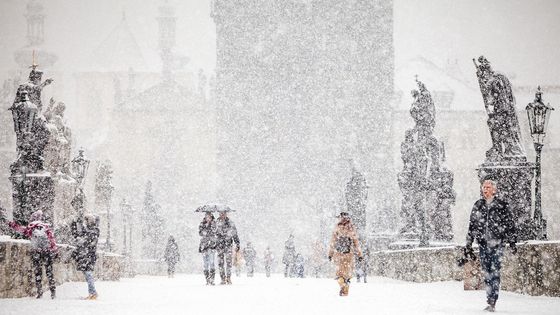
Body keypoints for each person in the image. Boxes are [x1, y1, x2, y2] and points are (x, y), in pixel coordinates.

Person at [465, 178, 517, 312]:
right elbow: (472, 226)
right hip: (483, 245)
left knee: (495, 272)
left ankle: (493, 300)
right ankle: (490, 299)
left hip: (498, 245)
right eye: (484, 187)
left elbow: (510, 225)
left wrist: (512, 242)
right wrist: (469, 244)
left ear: (494, 190)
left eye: (488, 187)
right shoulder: (478, 205)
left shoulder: (501, 205)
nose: (485, 189)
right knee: (487, 273)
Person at [9, 210, 58, 299]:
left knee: (38, 272)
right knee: (49, 273)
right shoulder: (46, 227)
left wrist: (12, 224)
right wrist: (54, 250)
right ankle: (53, 292)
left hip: (36, 252)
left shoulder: (31, 227)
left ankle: (39, 292)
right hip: (47, 252)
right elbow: (52, 239)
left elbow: (21, 230)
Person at [328, 211, 363, 296]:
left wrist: (330, 254)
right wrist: (359, 254)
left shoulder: (337, 228)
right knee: (347, 274)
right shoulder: (351, 228)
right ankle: (345, 289)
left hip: (339, 254)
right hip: (349, 254)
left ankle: (343, 286)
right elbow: (356, 243)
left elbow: (333, 242)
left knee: (339, 274)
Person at [71, 214, 100, 300]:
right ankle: (92, 292)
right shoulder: (93, 230)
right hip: (88, 255)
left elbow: (81, 238)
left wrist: (76, 224)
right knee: (88, 274)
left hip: (88, 255)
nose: (85, 222)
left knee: (88, 274)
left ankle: (93, 293)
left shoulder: (93, 231)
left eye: (86, 220)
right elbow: (77, 234)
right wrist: (75, 224)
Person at [215, 211, 240, 284]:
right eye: (221, 213)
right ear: (219, 214)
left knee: (228, 262)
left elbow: (235, 234)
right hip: (219, 245)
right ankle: (222, 278)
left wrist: (237, 243)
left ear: (226, 214)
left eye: (224, 213)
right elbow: (214, 233)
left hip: (228, 244)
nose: (222, 215)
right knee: (220, 263)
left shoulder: (230, 223)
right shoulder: (216, 223)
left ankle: (228, 277)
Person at [199, 212, 216, 285]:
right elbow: (200, 233)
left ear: (211, 217)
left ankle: (212, 279)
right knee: (205, 264)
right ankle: (207, 279)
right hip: (204, 245)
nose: (208, 218)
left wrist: (211, 225)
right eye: (206, 217)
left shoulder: (214, 224)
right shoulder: (202, 224)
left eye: (209, 217)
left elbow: (215, 232)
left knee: (211, 262)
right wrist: (205, 226)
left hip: (211, 245)